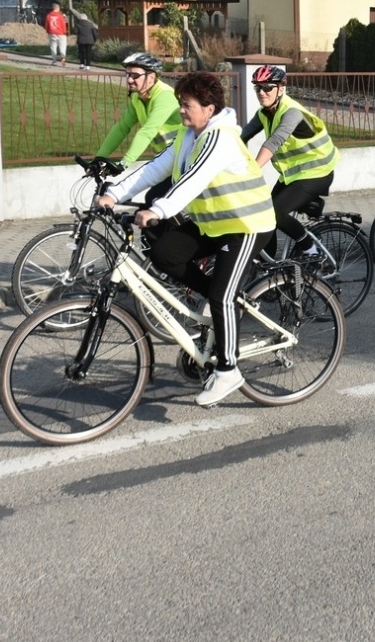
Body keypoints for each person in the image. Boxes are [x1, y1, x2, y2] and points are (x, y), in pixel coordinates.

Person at [97, 71, 276, 407]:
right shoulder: (187, 135)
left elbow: (194, 180)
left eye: (186, 104)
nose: (180, 109)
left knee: (222, 295)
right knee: (164, 253)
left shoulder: (220, 138)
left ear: (208, 109)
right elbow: (154, 169)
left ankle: (228, 370)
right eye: (180, 103)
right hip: (214, 224)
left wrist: (158, 209)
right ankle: (225, 304)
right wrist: (114, 193)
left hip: (247, 225)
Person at [241, 64, 338, 246]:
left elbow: (274, 142)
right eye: (258, 88)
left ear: (280, 89)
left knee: (276, 213)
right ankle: (266, 259)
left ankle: (309, 248)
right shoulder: (264, 113)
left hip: (317, 173)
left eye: (267, 87)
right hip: (293, 175)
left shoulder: (292, 112)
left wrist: (252, 170)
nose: (261, 92)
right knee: (264, 214)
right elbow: (241, 136)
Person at [96, 52, 183, 167]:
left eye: (135, 75)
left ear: (151, 77)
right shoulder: (137, 98)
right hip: (167, 158)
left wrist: (124, 163)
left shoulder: (165, 96)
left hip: (184, 157)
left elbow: (147, 132)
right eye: (128, 74)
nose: (129, 80)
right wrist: (100, 157)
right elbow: (121, 128)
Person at [44, 0, 68, 67]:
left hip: (52, 33)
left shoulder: (48, 16)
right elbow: (63, 25)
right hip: (61, 33)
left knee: (53, 47)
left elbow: (46, 25)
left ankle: (54, 60)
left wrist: (48, 31)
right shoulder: (60, 16)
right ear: (58, 8)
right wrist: (65, 32)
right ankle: (63, 56)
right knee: (62, 46)